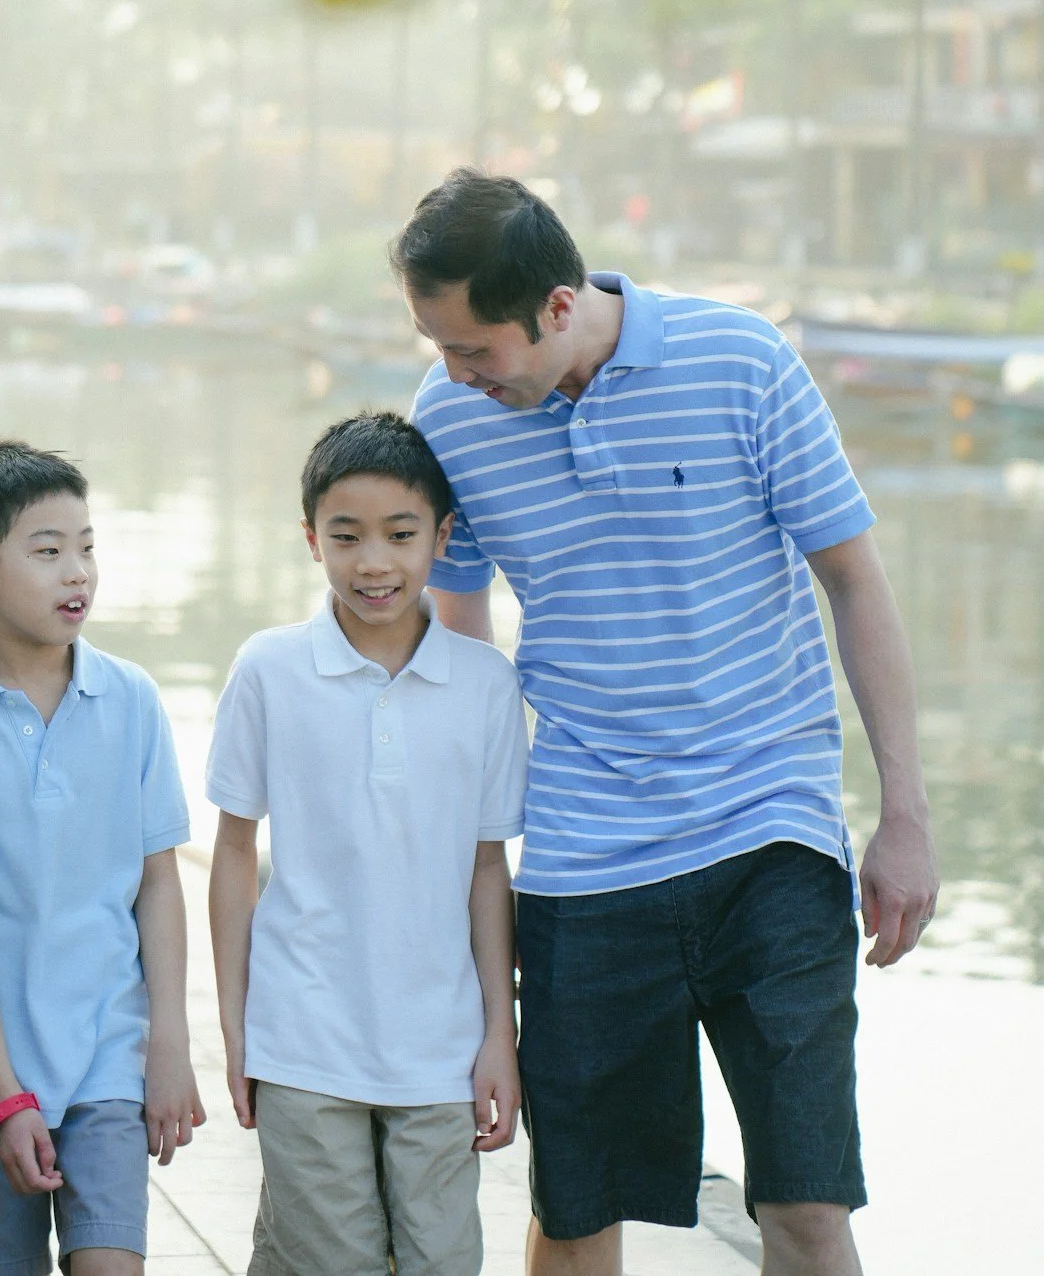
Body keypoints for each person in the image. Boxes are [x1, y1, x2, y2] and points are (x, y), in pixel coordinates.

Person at [392, 170, 940, 1276]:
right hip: (582, 855)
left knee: (804, 1198)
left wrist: (902, 818)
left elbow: (853, 579)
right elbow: (460, 653)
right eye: (435, 344)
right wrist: (467, 874)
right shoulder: (449, 416)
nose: (453, 373)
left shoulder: (739, 360)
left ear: (553, 304)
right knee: (578, 1201)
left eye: (473, 348)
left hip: (768, 831)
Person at [207, 410, 528, 1276]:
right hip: (303, 1035)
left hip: (441, 1048)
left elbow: (485, 871)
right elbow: (233, 853)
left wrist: (500, 1034)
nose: (373, 562)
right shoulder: (268, 669)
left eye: (399, 534)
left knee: (441, 1260)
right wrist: (237, 1035)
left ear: (442, 536)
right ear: (311, 539)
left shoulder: (486, 685)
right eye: (345, 536)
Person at [0, 440, 202, 1276]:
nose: (78, 572)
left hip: (109, 1052)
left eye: (86, 546)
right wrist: (3, 1095)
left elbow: (156, 883)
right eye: (46, 553)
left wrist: (168, 1048)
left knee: (111, 1262)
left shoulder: (132, 698)